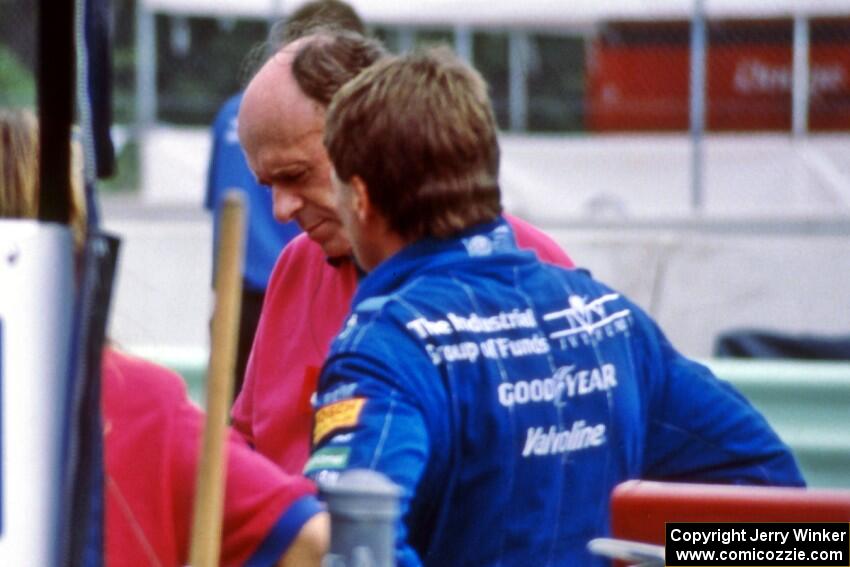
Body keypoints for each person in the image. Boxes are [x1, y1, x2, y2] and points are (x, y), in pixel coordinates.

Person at [304, 48, 805, 566]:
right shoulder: (609, 320)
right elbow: (779, 502)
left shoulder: (385, 349)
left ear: (360, 198)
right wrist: (662, 554)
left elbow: (353, 549)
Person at [233, 30, 575, 474]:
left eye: (296, 175)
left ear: (370, 138)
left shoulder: (538, 270)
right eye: (268, 185)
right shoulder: (296, 266)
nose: (280, 211)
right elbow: (248, 442)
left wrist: (690, 547)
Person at [0, 107, 328, 566]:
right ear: (76, 247)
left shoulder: (136, 402)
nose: (283, 206)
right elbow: (313, 538)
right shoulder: (134, 401)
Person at [205, 0, 366, 393]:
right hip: (291, 290)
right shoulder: (256, 117)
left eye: (297, 175)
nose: (283, 208)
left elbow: (216, 204)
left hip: (241, 288)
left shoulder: (235, 112)